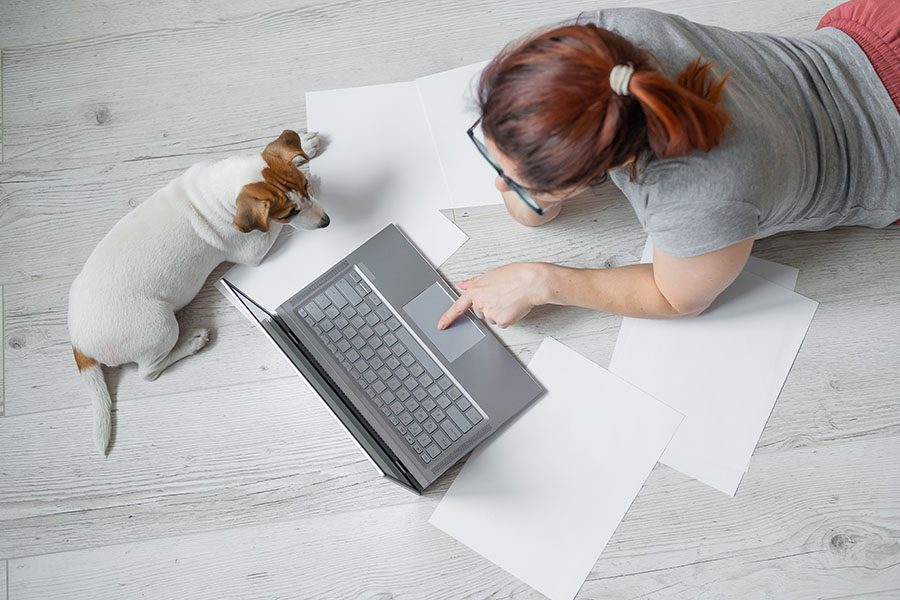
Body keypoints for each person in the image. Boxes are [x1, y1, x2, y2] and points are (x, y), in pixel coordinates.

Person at [438, 0, 900, 330]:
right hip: (877, 30)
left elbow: (677, 298)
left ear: (615, 164)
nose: (500, 184)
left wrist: (544, 281)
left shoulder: (702, 198)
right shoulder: (596, 41)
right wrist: (531, 178)